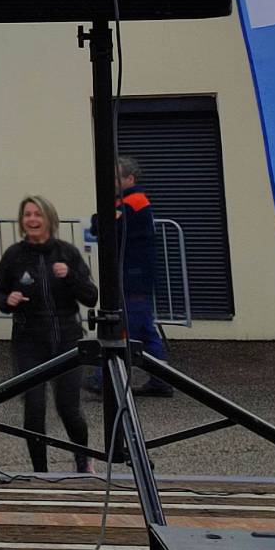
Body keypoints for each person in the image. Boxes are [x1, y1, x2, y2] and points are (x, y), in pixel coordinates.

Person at [0, 196, 96, 473]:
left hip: (66, 339)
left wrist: (70, 276)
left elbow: (91, 296)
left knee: (68, 409)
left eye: (37, 214)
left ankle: (83, 462)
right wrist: (7, 299)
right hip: (28, 342)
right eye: (27, 215)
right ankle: (40, 472)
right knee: (34, 410)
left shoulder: (67, 253)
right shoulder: (14, 255)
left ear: (49, 219)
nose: (32, 220)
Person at [103, 157, 173, 397]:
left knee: (127, 327)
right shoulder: (130, 202)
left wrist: (99, 218)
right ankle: (161, 380)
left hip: (134, 275)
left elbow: (101, 225)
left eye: (116, 177)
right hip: (137, 274)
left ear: (129, 179)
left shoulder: (132, 202)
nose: (111, 182)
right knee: (144, 331)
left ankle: (102, 378)